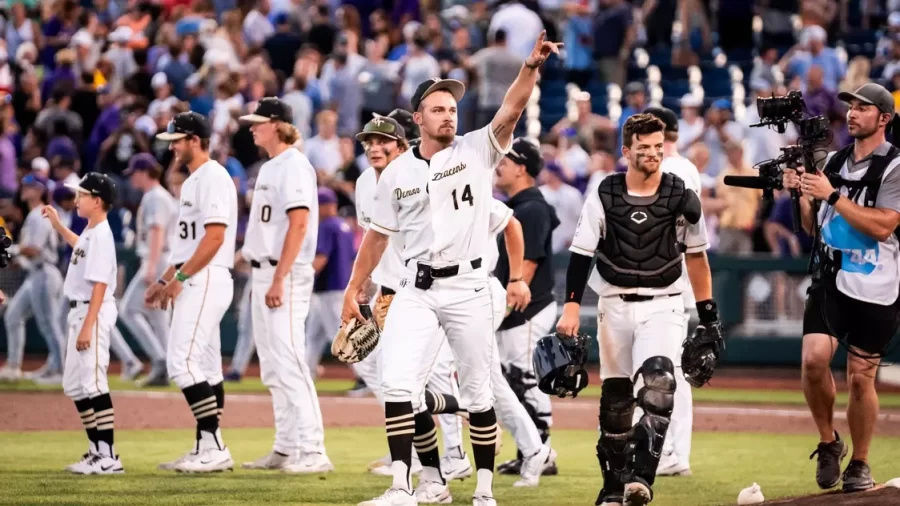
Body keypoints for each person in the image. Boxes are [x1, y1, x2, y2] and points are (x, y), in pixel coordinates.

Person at [341, 31, 560, 506]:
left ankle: (483, 491)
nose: (449, 114)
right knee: (398, 384)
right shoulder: (395, 173)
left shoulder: (477, 149)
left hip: (469, 287)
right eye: (438, 108)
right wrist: (354, 289)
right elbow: (377, 237)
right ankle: (404, 486)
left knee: (479, 394)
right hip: (415, 289)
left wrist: (530, 68)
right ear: (417, 118)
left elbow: (513, 109)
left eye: (453, 108)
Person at [556, 114, 720, 506]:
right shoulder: (605, 191)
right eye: (643, 148)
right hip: (613, 303)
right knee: (616, 402)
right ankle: (613, 487)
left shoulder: (679, 193)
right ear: (626, 150)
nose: (652, 154)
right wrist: (572, 307)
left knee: (660, 381)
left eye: (658, 148)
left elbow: (696, 257)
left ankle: (642, 479)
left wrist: (709, 316)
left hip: (664, 304)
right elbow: (582, 253)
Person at [783, 83, 900, 493]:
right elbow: (816, 229)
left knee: (860, 378)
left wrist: (831, 192)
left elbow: (885, 224)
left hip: (877, 284)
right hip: (831, 278)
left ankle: (861, 463)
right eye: (850, 106)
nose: (851, 113)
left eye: (863, 108)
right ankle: (829, 441)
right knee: (814, 361)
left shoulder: (895, 166)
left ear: (884, 118)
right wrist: (803, 197)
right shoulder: (833, 160)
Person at [352, 115, 475, 482]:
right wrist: (364, 285)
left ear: (402, 146)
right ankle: (429, 458)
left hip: (430, 290)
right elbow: (374, 243)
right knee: (387, 376)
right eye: (368, 141)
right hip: (389, 291)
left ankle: (451, 454)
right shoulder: (363, 183)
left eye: (382, 141)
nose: (374, 147)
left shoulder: (428, 175)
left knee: (426, 379)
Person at [236, 97, 333, 473]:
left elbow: (299, 225)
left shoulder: (293, 165)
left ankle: (313, 450)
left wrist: (278, 277)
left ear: (276, 124)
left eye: (258, 121)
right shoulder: (271, 166)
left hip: (285, 274)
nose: (251, 127)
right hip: (265, 270)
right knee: (273, 366)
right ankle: (286, 446)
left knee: (290, 359)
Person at [147, 111, 239, 473]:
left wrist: (179, 280)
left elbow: (215, 238)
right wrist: (163, 278)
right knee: (206, 367)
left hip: (205, 277)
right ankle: (205, 444)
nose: (172, 148)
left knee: (181, 363)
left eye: (176, 140)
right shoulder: (192, 182)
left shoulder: (213, 176)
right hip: (196, 275)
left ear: (194, 140)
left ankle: (215, 445)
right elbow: (186, 245)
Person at [43, 172, 123, 474]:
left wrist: (89, 325)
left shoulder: (102, 234)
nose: (77, 199)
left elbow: (101, 284)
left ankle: (109, 456)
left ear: (97, 200)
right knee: (76, 386)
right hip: (81, 311)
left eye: (83, 195)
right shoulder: (91, 231)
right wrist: (58, 226)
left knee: (94, 382)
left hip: (93, 311)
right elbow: (80, 248)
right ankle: (95, 450)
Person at [492, 138, 561, 476]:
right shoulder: (518, 205)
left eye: (505, 160)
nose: (498, 165)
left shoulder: (531, 208)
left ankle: (542, 452)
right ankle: (530, 450)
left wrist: (504, 308)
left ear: (521, 168)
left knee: (525, 376)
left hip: (529, 307)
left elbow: (529, 264)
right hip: (518, 309)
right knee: (514, 378)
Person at [644, 106, 701, 477]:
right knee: (667, 369)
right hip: (671, 278)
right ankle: (671, 450)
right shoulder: (687, 168)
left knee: (669, 371)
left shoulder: (676, 169)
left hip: (669, 278)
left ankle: (673, 452)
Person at [1, 175, 66, 383]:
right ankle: (13, 367)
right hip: (36, 273)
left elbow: (34, 249)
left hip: (45, 274)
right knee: (13, 315)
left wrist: (13, 249)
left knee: (49, 324)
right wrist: (17, 257)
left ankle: (61, 370)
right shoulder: (35, 215)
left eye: (30, 186)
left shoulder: (40, 215)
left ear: (39, 191)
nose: (25, 189)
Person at [120, 153, 176, 387]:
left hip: (158, 259)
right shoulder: (157, 196)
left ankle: (161, 360)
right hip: (162, 259)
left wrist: (151, 267)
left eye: (134, 172)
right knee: (158, 318)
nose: (132, 177)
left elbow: (157, 232)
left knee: (127, 310)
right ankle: (166, 367)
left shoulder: (155, 197)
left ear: (145, 172)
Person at [306, 187, 355, 376]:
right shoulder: (344, 226)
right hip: (339, 288)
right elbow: (352, 259)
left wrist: (305, 278)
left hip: (329, 289)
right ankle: (307, 374)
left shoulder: (326, 226)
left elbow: (321, 258)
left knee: (342, 338)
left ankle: (364, 376)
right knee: (313, 337)